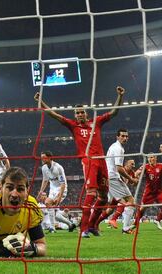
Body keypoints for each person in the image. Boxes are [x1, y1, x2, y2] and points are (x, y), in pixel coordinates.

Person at [34, 86, 126, 238]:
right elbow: (54, 115)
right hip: (88, 161)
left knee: (103, 197)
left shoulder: (96, 122)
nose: (80, 114)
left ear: (86, 113)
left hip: (101, 160)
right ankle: (83, 229)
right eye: (77, 113)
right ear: (75, 115)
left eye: (82, 112)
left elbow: (114, 111)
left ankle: (92, 226)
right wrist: (41, 102)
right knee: (90, 193)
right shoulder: (73, 125)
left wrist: (120, 96)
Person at [95, 130, 138, 234]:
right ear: (117, 137)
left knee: (107, 203)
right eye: (122, 136)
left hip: (107, 176)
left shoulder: (113, 146)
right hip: (113, 177)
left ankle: (91, 223)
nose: (125, 138)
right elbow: (118, 168)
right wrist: (132, 179)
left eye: (126, 136)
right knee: (131, 201)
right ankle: (126, 228)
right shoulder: (118, 149)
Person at [135, 155, 162, 230]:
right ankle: (135, 223)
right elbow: (138, 172)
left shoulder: (160, 166)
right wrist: (135, 175)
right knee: (142, 209)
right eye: (148, 158)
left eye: (151, 157)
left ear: (155, 158)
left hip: (159, 192)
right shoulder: (146, 166)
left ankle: (157, 220)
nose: (150, 159)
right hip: (149, 192)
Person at [37, 151, 72, 232]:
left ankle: (52, 228)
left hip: (61, 188)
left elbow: (63, 184)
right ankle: (70, 224)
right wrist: (40, 192)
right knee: (54, 212)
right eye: (41, 158)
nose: (42, 159)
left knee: (47, 202)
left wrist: (59, 197)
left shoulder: (58, 167)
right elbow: (45, 180)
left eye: (44, 157)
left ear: (50, 158)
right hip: (52, 189)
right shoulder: (44, 168)